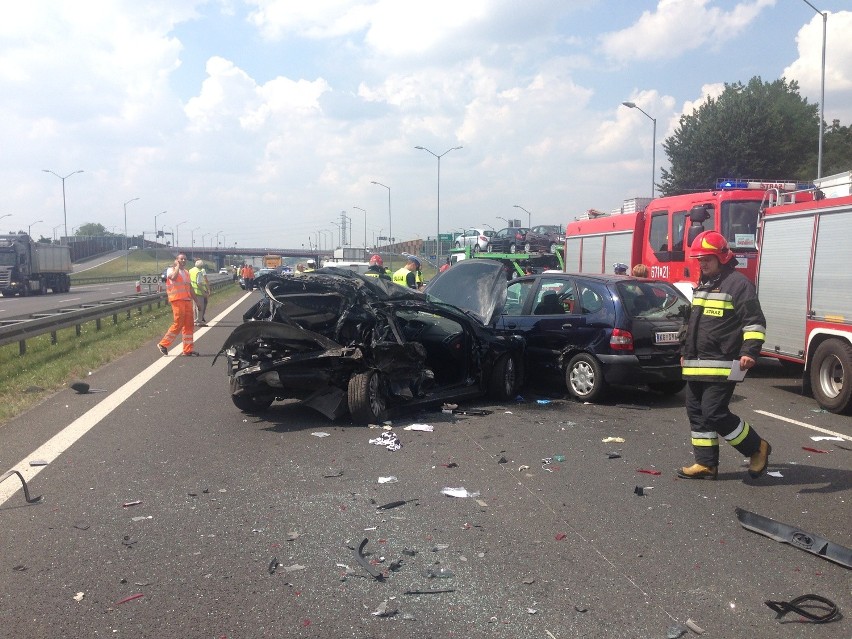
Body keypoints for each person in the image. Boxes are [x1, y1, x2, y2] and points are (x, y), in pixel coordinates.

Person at [678, 231, 770, 480]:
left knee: (713, 413)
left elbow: (754, 322)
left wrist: (750, 351)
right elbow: (692, 325)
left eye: (707, 258)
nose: (702, 263)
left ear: (721, 257)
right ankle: (706, 464)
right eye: (699, 259)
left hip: (722, 364)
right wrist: (684, 352)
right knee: (696, 414)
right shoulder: (703, 285)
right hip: (697, 365)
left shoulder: (738, 284)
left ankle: (756, 447)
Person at [158, 253, 199, 356]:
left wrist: (197, 302)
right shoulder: (171, 270)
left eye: (185, 259)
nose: (184, 261)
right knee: (178, 323)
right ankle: (163, 344)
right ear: (177, 260)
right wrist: (176, 266)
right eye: (181, 259)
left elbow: (190, 288)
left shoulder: (186, 272)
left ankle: (188, 350)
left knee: (189, 325)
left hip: (187, 300)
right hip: (177, 300)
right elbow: (173, 278)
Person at [188, 259, 211, 326]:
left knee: (194, 306)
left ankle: (195, 320)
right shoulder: (199, 272)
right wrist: (203, 293)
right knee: (200, 307)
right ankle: (199, 321)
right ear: (201, 266)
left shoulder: (190, 270)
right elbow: (199, 283)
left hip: (192, 291)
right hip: (198, 291)